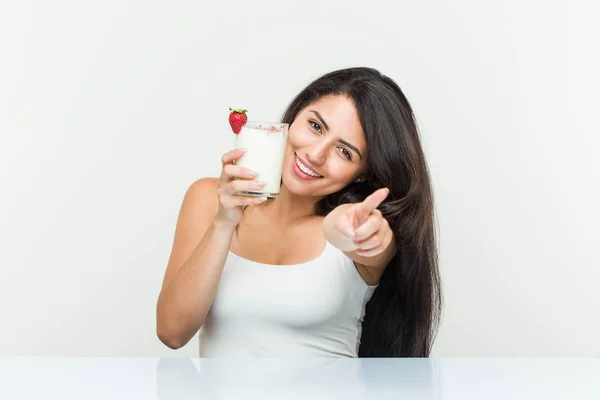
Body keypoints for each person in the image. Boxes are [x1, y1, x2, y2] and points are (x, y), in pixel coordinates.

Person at [156, 67, 442, 357]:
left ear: (362, 175)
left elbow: (343, 231)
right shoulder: (208, 199)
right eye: (316, 126)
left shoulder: (356, 227)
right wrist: (224, 223)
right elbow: (172, 332)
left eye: (345, 152)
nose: (315, 154)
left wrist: (361, 232)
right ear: (294, 118)